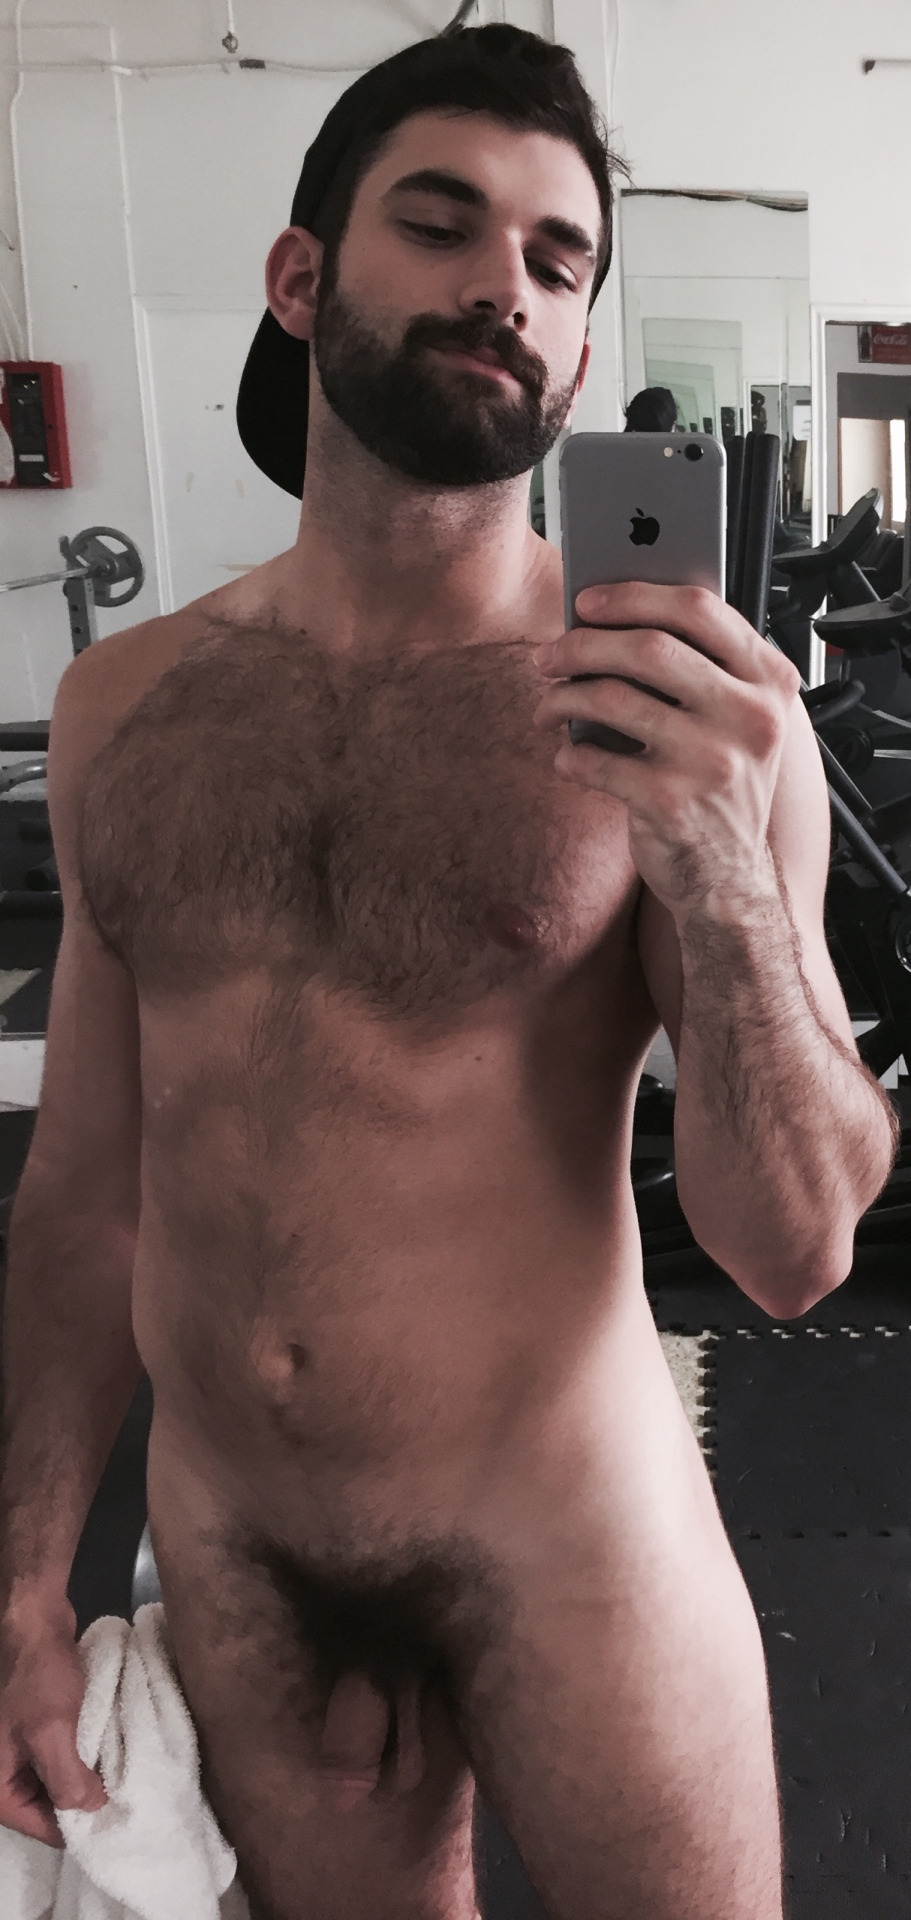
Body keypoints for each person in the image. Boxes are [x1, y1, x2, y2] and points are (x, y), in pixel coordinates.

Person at [0, 22, 898, 1920]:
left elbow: (798, 1251)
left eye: (560, 263)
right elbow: (81, 1192)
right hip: (239, 1553)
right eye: (442, 222)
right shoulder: (121, 710)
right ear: (301, 276)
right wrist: (22, 1580)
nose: (509, 284)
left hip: (564, 1536)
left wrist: (726, 882)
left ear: (577, 353)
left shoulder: (697, 719)